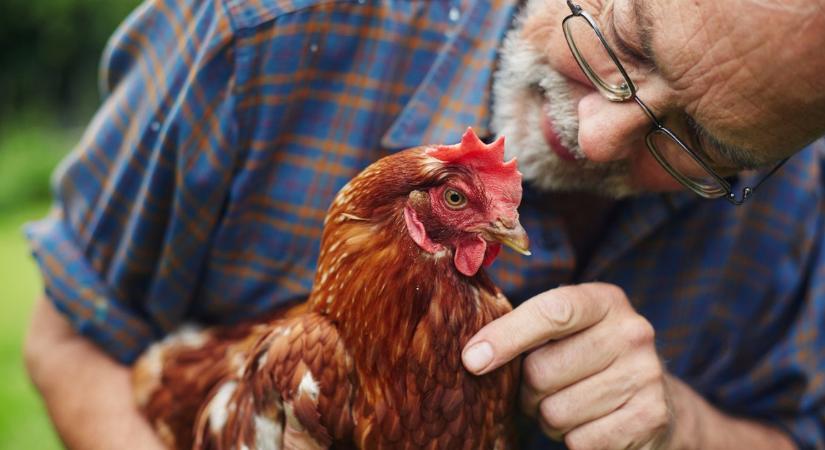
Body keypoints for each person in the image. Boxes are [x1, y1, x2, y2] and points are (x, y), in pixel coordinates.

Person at [22, 0, 825, 448]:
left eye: (700, 144)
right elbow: (67, 338)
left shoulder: (789, 189)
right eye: (621, 45)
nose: (601, 132)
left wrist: (682, 428)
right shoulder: (254, 31)